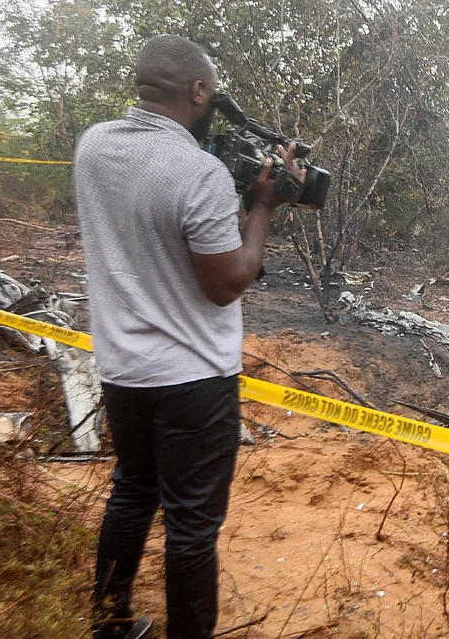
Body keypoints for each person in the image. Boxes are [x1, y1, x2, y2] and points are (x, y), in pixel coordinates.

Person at [75, 35, 303, 639]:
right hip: (193, 380)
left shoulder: (93, 146)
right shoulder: (195, 170)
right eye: (211, 93)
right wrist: (263, 206)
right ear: (198, 92)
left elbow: (150, 217)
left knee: (131, 493)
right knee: (192, 528)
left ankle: (110, 622)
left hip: (122, 369)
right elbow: (227, 281)